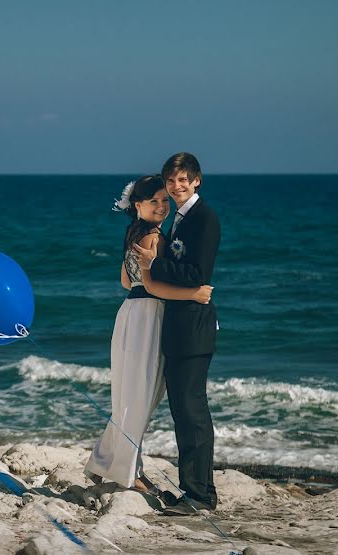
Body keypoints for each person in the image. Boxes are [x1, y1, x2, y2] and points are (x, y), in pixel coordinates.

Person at [84, 174, 213, 495]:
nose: (160, 206)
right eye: (153, 201)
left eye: (164, 200)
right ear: (137, 205)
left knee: (130, 395)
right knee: (141, 397)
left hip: (131, 313)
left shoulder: (134, 233)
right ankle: (129, 473)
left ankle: (103, 461)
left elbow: (126, 283)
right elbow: (153, 286)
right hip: (149, 317)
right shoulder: (153, 238)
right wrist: (194, 295)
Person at [134, 153, 221, 516]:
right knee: (184, 414)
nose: (176, 186)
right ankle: (195, 492)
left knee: (192, 412)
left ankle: (200, 497)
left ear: (197, 180)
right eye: (171, 181)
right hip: (179, 329)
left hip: (194, 329)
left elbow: (196, 274)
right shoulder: (181, 219)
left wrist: (153, 264)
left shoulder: (204, 218)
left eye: (183, 179)